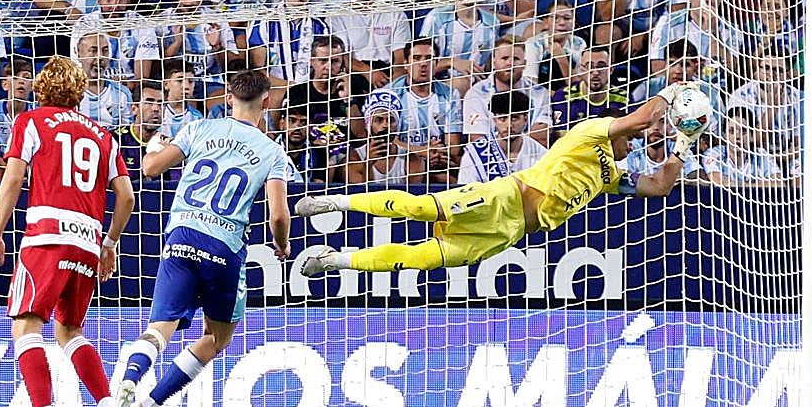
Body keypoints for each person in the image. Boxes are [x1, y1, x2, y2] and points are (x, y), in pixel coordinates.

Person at [297, 82, 702, 275]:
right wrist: (673, 91)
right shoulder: (590, 133)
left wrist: (683, 143)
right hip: (504, 197)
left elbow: (659, 186)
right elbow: (644, 119)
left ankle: (333, 261)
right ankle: (333, 202)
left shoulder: (609, 175)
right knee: (420, 208)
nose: (635, 142)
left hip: (508, 231)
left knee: (420, 259)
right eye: (630, 138)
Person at [116, 70, 291, 407]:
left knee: (159, 328)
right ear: (267, 101)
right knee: (216, 337)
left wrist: (152, 146)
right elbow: (278, 215)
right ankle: (150, 405)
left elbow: (150, 168)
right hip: (224, 246)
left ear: (228, 98)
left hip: (181, 235)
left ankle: (129, 380)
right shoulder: (272, 151)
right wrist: (282, 244)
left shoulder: (198, 128)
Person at [0, 56, 135, 407]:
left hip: (47, 236)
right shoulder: (104, 136)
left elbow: (14, 178)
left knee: (26, 326)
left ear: (41, 89)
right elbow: (126, 196)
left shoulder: (31, 121)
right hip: (87, 241)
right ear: (80, 92)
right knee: (69, 330)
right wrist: (108, 244)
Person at [380, 37, 463, 185]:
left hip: (438, 162)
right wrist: (422, 152)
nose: (423, 64)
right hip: (399, 160)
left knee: (451, 181)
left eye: (429, 58)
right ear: (406, 63)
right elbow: (384, 140)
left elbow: (453, 146)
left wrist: (435, 155)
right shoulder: (388, 94)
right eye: (416, 58)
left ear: (436, 63)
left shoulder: (450, 95)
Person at [327, 0, 410, 84]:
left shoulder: (396, 14)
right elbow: (340, 56)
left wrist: (395, 82)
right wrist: (368, 72)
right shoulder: (337, 15)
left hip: (388, 72)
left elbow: (400, 58)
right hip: (353, 72)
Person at [418, 0, 499, 91]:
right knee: (462, 83)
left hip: (481, 88)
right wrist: (452, 62)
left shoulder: (492, 23)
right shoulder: (437, 18)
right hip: (439, 85)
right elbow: (419, 64)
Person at [462, 36, 552, 146]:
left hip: (531, 155)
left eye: (516, 59)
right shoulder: (476, 94)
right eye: (504, 58)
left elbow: (541, 137)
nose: (510, 63)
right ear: (493, 63)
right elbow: (479, 141)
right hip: (492, 156)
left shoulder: (540, 93)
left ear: (524, 64)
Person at [459, 89, 546, 183]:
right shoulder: (474, 154)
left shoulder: (541, 154)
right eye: (503, 118)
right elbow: (465, 189)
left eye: (514, 118)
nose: (509, 125)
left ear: (525, 119)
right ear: (495, 120)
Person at [702, 107, 782, 186]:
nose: (737, 136)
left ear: (752, 136)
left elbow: (779, 183)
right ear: (725, 135)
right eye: (731, 131)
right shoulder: (713, 154)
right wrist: (755, 185)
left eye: (743, 131)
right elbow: (718, 181)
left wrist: (744, 186)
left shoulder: (761, 154)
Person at [75, 31, 135, 131]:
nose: (100, 57)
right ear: (78, 53)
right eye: (93, 51)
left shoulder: (122, 93)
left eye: (105, 51)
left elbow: (127, 132)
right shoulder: (69, 92)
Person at [346, 91, 409, 185]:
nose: (386, 125)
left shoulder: (411, 160)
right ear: (368, 123)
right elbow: (361, 192)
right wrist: (368, 165)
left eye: (391, 120)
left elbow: (415, 193)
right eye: (379, 120)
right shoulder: (354, 159)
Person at [115, 79, 165, 175]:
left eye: (160, 103)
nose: (156, 108)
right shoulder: (116, 140)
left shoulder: (168, 147)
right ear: (134, 109)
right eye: (149, 102)